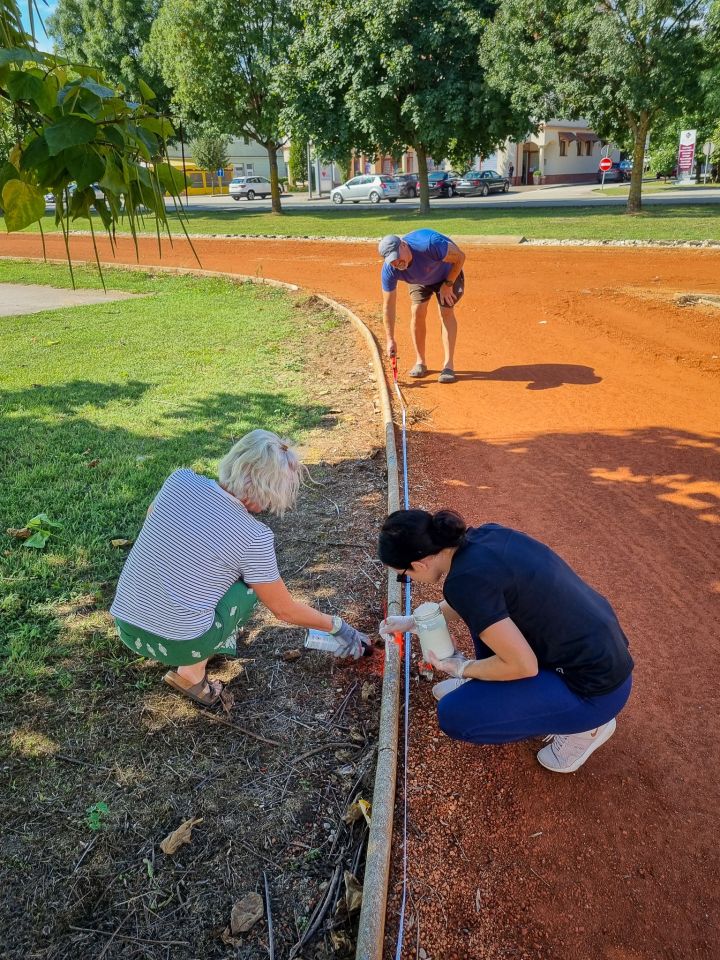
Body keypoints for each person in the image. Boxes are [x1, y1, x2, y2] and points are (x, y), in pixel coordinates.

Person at [111, 430, 370, 707]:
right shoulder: (253, 537)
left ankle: (186, 638)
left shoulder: (180, 480)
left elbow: (153, 518)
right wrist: (338, 627)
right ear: (268, 490)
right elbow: (284, 610)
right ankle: (192, 674)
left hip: (127, 625)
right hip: (180, 644)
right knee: (248, 589)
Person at [378, 509, 633, 773]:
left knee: (454, 715)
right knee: (484, 617)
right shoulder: (482, 536)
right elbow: (474, 599)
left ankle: (588, 729)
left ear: (419, 564)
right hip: (602, 654)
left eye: (403, 575)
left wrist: (460, 667)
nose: (407, 580)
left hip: (595, 692)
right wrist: (412, 622)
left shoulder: (463, 583)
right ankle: (497, 685)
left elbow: (523, 665)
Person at [378, 230, 466, 384]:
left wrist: (448, 283)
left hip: (447, 274)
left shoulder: (429, 244)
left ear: (404, 245)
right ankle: (420, 362)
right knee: (417, 310)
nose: (397, 263)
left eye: (397, 257)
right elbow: (388, 306)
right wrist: (390, 339)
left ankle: (448, 365)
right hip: (419, 278)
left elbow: (460, 257)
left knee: (446, 312)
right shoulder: (391, 269)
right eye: (392, 261)